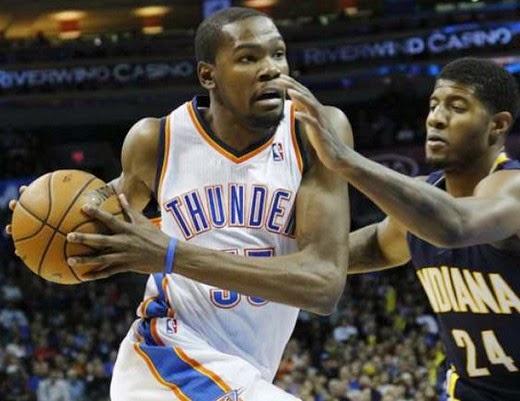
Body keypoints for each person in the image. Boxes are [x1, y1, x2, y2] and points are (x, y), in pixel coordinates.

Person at [7, 7, 351, 401]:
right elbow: (93, 224)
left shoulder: (314, 134)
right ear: (208, 75)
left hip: (240, 372)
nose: (271, 69)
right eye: (248, 58)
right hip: (167, 362)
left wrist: (170, 254)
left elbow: (323, 285)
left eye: (278, 54)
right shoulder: (158, 141)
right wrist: (40, 221)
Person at [281, 57, 520, 400]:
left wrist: (345, 159)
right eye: (434, 105)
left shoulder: (512, 188)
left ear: (497, 125)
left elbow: (456, 224)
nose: (436, 118)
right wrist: (272, 253)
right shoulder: (424, 197)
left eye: (457, 107)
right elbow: (377, 247)